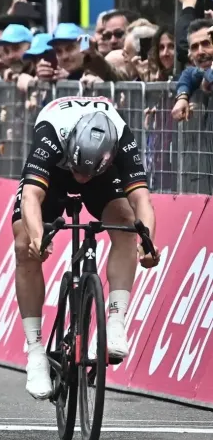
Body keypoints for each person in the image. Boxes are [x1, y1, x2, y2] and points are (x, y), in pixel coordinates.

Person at [12, 95, 160, 399]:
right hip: (54, 173)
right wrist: (39, 238)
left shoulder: (121, 136)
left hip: (102, 178)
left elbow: (142, 200)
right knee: (23, 243)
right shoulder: (52, 132)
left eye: (87, 171)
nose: (80, 178)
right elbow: (30, 198)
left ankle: (116, 322)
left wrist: (148, 242)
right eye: (79, 170)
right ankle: (36, 352)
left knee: (127, 223)